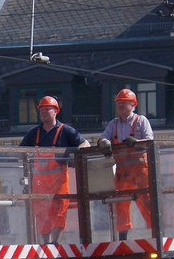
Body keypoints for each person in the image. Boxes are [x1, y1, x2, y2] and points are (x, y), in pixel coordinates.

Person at [20, 96, 89, 243]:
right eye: (41, 110)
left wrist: (74, 154)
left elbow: (85, 144)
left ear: (56, 111)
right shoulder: (33, 134)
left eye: (47, 109)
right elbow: (20, 152)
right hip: (39, 184)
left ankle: (55, 242)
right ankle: (46, 243)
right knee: (41, 214)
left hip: (59, 184)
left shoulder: (66, 131)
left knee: (59, 212)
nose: (44, 112)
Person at [100, 88, 155, 239]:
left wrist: (137, 142)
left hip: (140, 172)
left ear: (133, 105)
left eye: (124, 102)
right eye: (119, 103)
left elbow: (150, 141)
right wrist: (104, 143)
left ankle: (155, 235)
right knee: (120, 205)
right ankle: (123, 238)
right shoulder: (113, 124)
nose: (120, 105)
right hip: (122, 173)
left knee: (147, 203)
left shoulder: (141, 121)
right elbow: (102, 138)